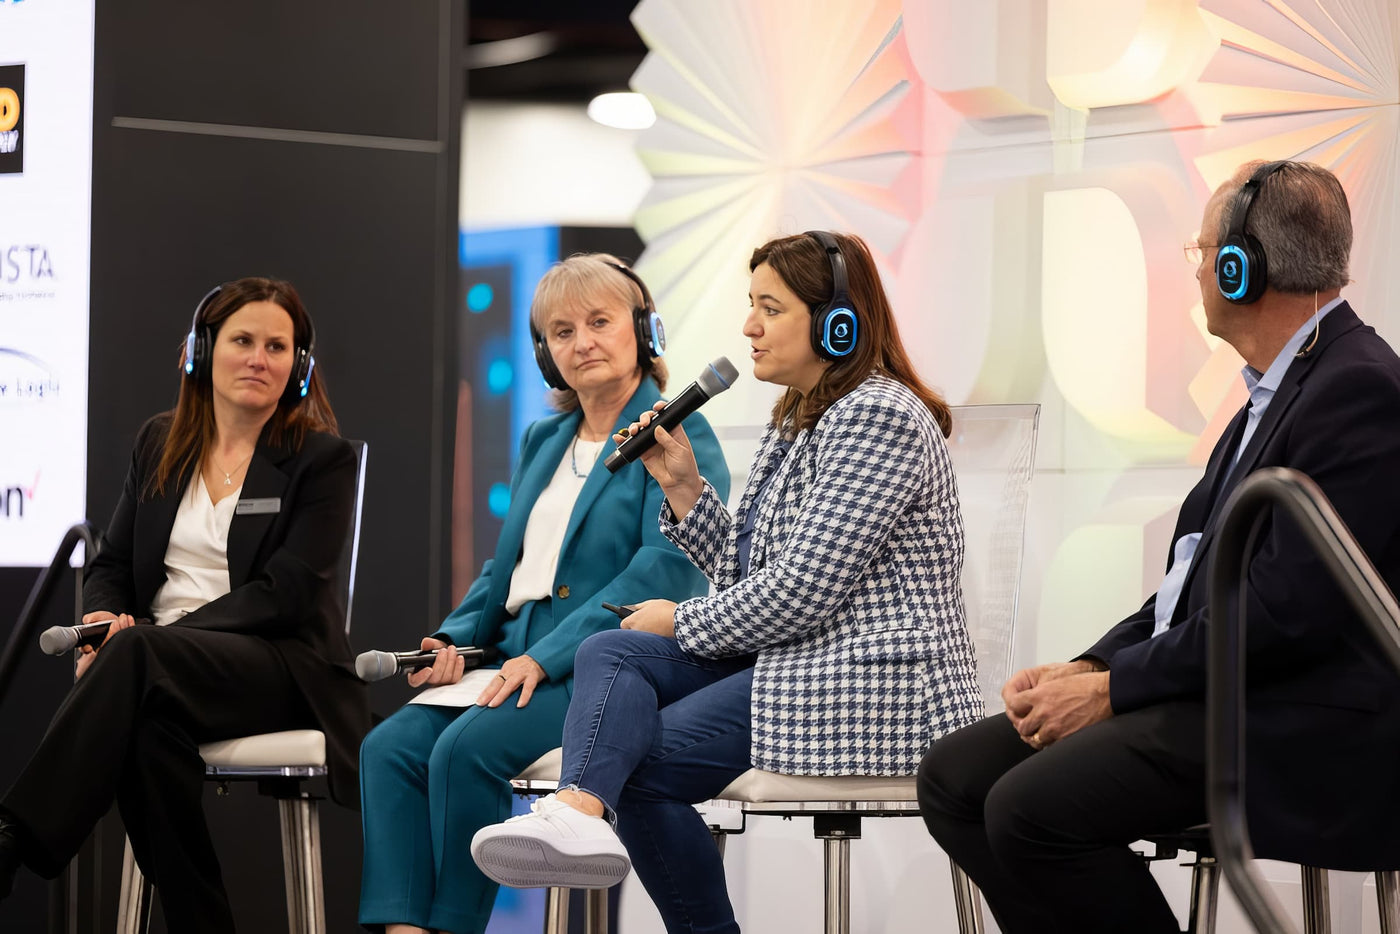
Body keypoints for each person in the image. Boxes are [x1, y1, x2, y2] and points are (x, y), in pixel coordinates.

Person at [917, 160, 1400, 933]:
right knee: (956, 778)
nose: (1200, 270)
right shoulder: (1274, 392)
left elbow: (1285, 619)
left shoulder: (1359, 388)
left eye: (1204, 252)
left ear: (1244, 268)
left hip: (1300, 721)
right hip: (1223, 695)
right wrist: (1094, 665)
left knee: (1029, 809)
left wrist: (1112, 692)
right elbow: (1188, 584)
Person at [470, 231, 983, 932]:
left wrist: (679, 621)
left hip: (874, 682)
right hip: (802, 662)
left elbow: (801, 591)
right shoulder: (797, 417)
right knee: (608, 650)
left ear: (838, 321)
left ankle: (580, 809)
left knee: (643, 765)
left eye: (769, 308)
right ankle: (578, 810)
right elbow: (751, 574)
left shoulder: (878, 414)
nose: (748, 326)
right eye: (751, 306)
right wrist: (683, 488)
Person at [357, 254, 729, 934]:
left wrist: (545, 656)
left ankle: (453, 926)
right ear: (543, 351)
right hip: (506, 653)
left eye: (599, 321)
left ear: (644, 330)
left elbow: (665, 570)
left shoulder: (679, 428)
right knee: (387, 749)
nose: (581, 342)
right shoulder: (545, 437)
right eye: (561, 331)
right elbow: (507, 569)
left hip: (597, 665)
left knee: (463, 753)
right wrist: (452, 638)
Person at [0, 277, 369, 932]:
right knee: (145, 736)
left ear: (300, 366)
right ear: (201, 352)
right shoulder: (160, 442)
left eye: (277, 346)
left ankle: (10, 838)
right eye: (243, 341)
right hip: (162, 668)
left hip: (280, 668)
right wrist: (102, 617)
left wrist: (149, 639)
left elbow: (287, 595)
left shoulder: (322, 460)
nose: (260, 358)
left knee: (140, 656)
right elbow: (111, 564)